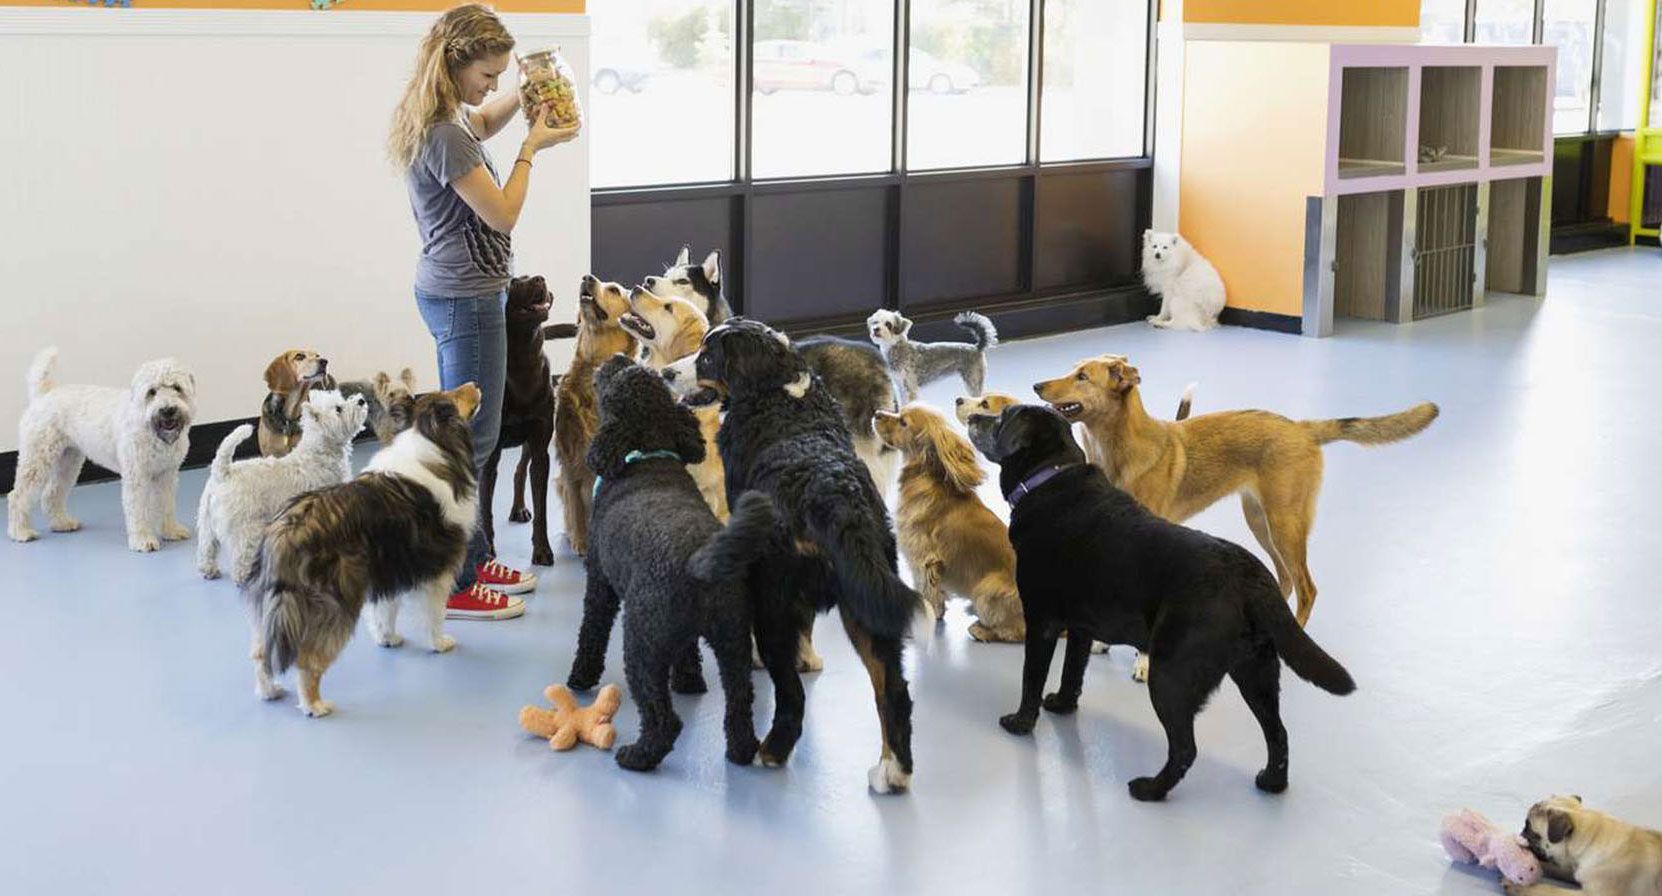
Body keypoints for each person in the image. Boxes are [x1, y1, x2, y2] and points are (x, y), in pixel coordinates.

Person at [388, 4, 579, 619]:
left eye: (501, 77)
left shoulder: (448, 117)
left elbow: (483, 122)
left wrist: (527, 99)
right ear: (455, 63)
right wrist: (533, 146)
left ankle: (474, 553)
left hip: (467, 291)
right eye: (487, 75)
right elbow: (502, 213)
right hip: (465, 299)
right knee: (472, 440)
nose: (493, 87)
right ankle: (461, 581)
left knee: (478, 437)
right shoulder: (442, 134)